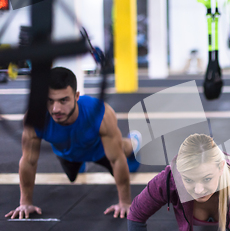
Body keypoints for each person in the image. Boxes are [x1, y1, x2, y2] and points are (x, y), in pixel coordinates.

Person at [5, 67, 141, 220]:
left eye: (64, 100)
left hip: (100, 150)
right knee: (72, 177)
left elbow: (116, 160)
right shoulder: (35, 118)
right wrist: (25, 203)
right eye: (50, 101)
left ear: (76, 96)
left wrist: (125, 202)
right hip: (68, 154)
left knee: (124, 154)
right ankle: (80, 162)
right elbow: (28, 161)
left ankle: (134, 141)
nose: (56, 109)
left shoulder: (99, 113)